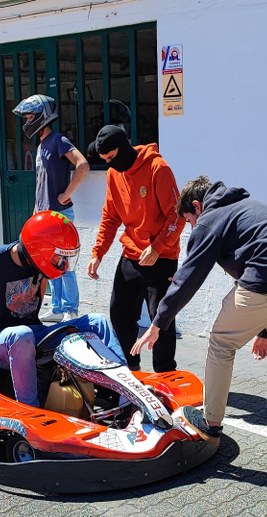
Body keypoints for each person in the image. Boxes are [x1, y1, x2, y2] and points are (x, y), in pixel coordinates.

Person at [133, 176, 267, 484]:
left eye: (189, 221)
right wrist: (263, 331)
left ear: (197, 206)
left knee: (221, 345)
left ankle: (211, 423)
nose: (193, 228)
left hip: (266, 282)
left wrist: (159, 321)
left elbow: (189, 274)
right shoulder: (249, 208)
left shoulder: (211, 217)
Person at [0, 211, 125, 408]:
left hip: (34, 333)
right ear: (41, 250)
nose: (63, 264)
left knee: (98, 321)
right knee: (22, 334)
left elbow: (34, 307)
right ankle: (30, 409)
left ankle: (126, 392)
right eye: (59, 257)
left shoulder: (39, 263)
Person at [85, 124, 184, 373]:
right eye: (105, 160)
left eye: (111, 158)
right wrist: (98, 253)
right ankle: (131, 370)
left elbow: (177, 215)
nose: (110, 164)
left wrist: (158, 248)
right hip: (131, 254)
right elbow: (110, 217)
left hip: (161, 257)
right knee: (119, 314)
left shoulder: (157, 169)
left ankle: (165, 373)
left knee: (160, 318)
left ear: (124, 147)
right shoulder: (113, 175)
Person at [12, 94, 89, 321]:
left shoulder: (58, 140)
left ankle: (71, 309)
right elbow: (41, 182)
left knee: (66, 264)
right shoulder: (41, 144)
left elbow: (82, 165)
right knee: (49, 263)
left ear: (43, 116)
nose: (27, 121)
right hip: (44, 214)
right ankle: (56, 308)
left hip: (60, 214)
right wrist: (37, 209)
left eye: (30, 116)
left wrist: (67, 193)